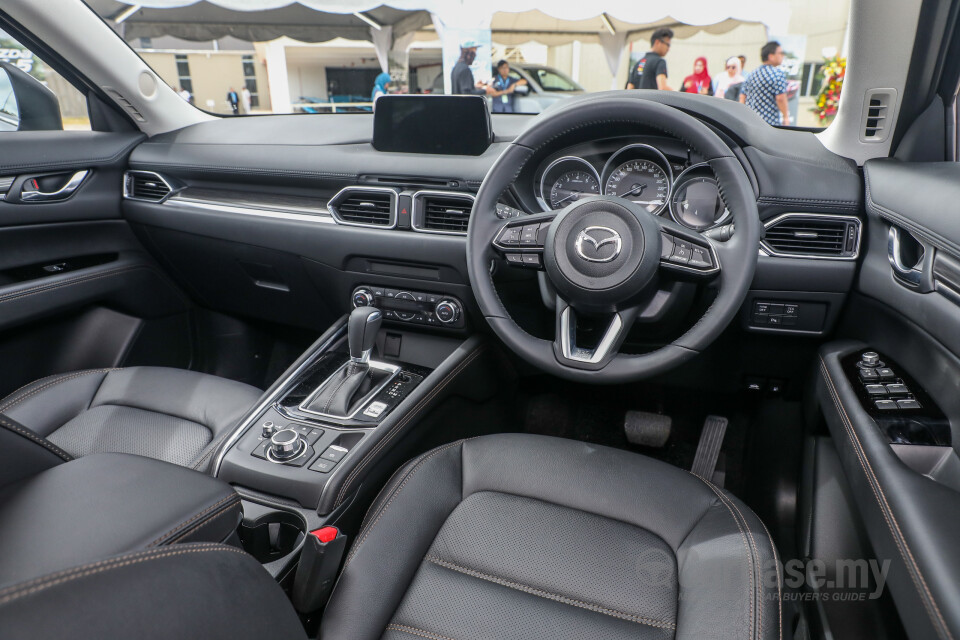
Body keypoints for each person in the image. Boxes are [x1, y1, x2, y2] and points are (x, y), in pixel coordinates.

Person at [739, 41, 789, 126]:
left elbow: (742, 96)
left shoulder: (752, 74)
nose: (782, 56)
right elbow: (780, 98)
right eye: (780, 53)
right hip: (768, 123)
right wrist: (786, 117)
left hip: (750, 121)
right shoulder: (777, 74)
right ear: (771, 56)